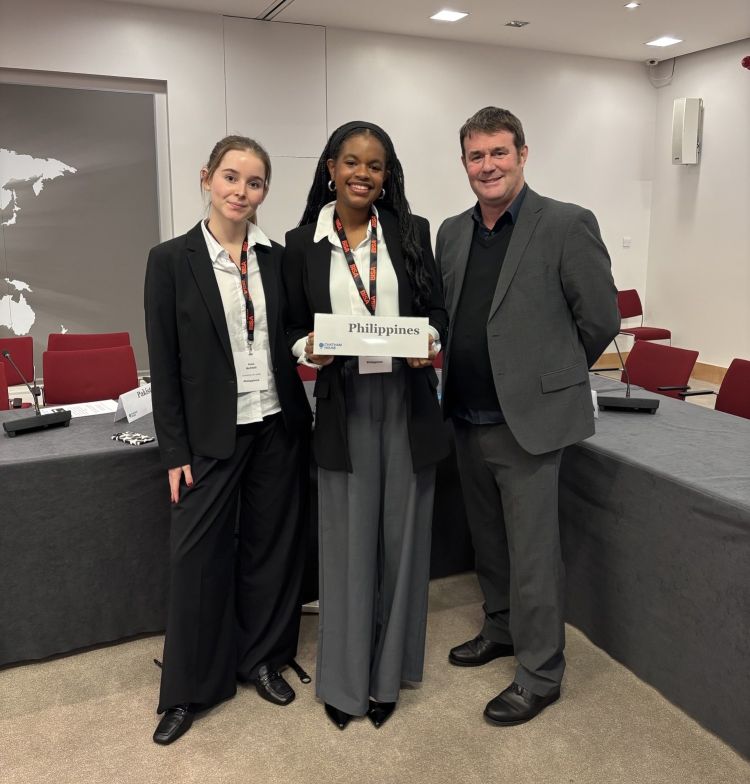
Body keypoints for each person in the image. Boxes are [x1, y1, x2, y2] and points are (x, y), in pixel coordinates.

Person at [436, 107, 619, 725]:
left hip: (530, 425)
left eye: (498, 153)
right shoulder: (452, 232)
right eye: (475, 156)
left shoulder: (566, 224)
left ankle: (540, 674)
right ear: (464, 162)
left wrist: (552, 378)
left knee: (534, 554)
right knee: (488, 540)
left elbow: (600, 319)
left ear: (522, 154)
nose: (487, 166)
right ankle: (502, 627)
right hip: (465, 414)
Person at [144, 135, 311, 745]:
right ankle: (189, 687)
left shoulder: (278, 258)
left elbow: (293, 331)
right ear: (206, 178)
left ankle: (262, 659)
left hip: (276, 424)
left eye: (256, 182)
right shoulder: (170, 260)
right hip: (210, 434)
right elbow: (163, 363)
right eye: (231, 178)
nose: (242, 191)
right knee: (197, 561)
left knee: (271, 549)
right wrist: (173, 451)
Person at [282, 121, 449, 730]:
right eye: (351, 161)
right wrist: (309, 347)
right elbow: (290, 327)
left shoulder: (411, 233)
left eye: (375, 165)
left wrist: (426, 339)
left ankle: (387, 680)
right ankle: (345, 683)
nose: (362, 173)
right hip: (344, 404)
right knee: (348, 545)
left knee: (402, 543)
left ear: (387, 175)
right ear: (330, 166)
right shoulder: (302, 242)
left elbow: (436, 311)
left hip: (406, 402)